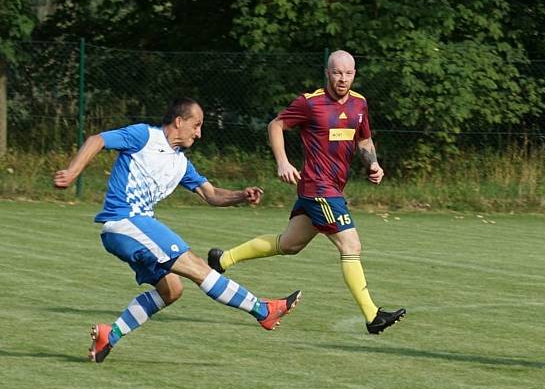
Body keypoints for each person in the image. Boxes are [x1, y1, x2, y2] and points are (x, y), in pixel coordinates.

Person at [53, 97, 301, 363]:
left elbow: (212, 194)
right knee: (197, 266)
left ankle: (108, 336)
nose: (199, 133)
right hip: (125, 221)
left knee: (171, 290)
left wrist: (242, 195)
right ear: (179, 121)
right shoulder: (144, 136)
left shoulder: (181, 164)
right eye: (196, 125)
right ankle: (262, 310)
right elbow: (97, 139)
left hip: (132, 230)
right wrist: (72, 171)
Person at [207, 50, 405, 334]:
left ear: (354, 75)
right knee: (351, 246)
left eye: (348, 73)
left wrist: (373, 163)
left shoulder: (360, 104)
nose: (342, 78)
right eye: (337, 72)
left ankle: (223, 259)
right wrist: (283, 162)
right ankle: (373, 316)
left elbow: (364, 139)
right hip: (319, 187)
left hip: (332, 187)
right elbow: (276, 125)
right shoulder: (310, 103)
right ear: (328, 73)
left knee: (290, 245)